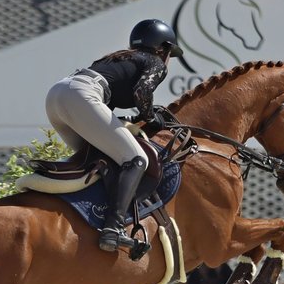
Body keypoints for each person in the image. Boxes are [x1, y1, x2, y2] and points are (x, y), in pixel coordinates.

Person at [45, 19, 182, 257]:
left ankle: (91, 212)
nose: (167, 58)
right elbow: (143, 91)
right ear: (162, 49)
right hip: (82, 96)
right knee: (137, 159)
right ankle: (113, 228)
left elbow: (107, 109)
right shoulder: (154, 61)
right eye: (168, 53)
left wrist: (137, 116)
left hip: (57, 97)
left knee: (98, 158)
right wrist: (150, 117)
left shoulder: (118, 58)